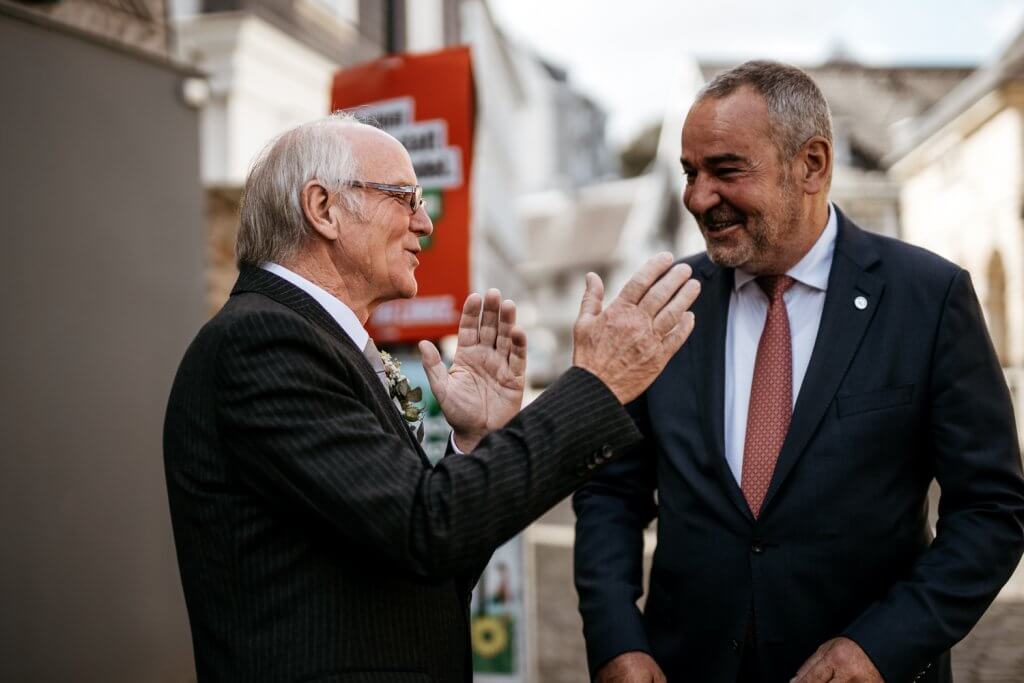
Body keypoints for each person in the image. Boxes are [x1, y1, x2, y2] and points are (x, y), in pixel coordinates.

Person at [163, 113, 701, 682]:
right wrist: (597, 386)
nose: (424, 223)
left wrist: (474, 444)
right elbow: (426, 529)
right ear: (322, 209)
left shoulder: (296, 337)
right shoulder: (263, 341)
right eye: (405, 196)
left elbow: (422, 561)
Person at [573, 60, 1024, 683]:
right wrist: (617, 641)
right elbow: (610, 494)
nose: (698, 197)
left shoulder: (927, 297)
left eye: (726, 170)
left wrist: (880, 646)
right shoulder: (664, 307)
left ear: (811, 164)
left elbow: (991, 511)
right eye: (690, 172)